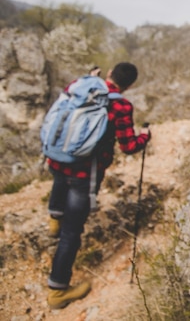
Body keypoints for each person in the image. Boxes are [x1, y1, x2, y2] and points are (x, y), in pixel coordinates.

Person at [45, 62, 150, 309]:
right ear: (130, 85)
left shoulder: (79, 86)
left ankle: (53, 220)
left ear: (109, 73)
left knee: (59, 181)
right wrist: (146, 135)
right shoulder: (121, 105)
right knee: (72, 233)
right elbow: (129, 146)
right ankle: (57, 291)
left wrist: (91, 77)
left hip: (55, 159)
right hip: (84, 174)